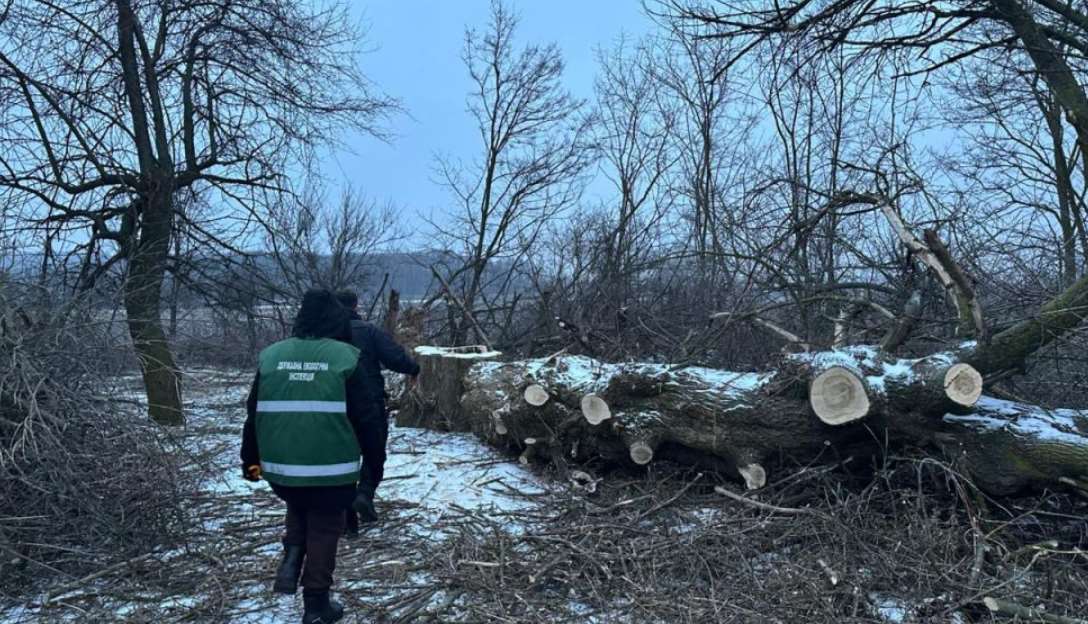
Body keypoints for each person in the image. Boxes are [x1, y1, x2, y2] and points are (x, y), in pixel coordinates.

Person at [241, 289, 367, 624]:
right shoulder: (346, 356)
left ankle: (292, 558)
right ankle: (316, 604)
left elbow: (253, 413)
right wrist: (370, 476)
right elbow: (367, 419)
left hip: (281, 471)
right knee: (326, 527)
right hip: (331, 471)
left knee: (299, 502)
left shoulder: (272, 355)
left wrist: (250, 462)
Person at [334, 290, 419, 535]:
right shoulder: (368, 331)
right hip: (369, 402)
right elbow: (395, 358)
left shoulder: (325, 335)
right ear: (355, 305)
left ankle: (348, 518)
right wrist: (414, 368)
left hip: (335, 404)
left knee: (342, 458)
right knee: (374, 453)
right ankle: (365, 493)